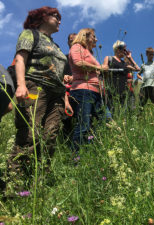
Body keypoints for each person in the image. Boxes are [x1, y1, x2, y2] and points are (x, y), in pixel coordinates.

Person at [5, 6, 73, 192]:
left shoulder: (56, 46)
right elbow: (20, 58)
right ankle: (13, 186)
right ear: (42, 17)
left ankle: (39, 183)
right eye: (55, 16)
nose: (60, 20)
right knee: (29, 134)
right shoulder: (30, 34)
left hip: (57, 95)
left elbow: (59, 73)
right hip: (35, 87)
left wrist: (65, 100)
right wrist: (21, 84)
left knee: (50, 136)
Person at [69, 28, 108, 151]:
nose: (96, 39)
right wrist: (99, 67)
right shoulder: (77, 47)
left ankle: (92, 149)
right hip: (83, 90)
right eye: (94, 37)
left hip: (95, 92)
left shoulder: (88, 52)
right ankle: (76, 157)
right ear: (85, 36)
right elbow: (78, 63)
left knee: (105, 120)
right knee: (84, 124)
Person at [103, 40, 140, 114]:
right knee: (112, 113)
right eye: (124, 49)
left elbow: (137, 69)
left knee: (122, 114)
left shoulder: (124, 64)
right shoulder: (109, 58)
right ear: (118, 49)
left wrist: (130, 58)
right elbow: (103, 70)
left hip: (123, 93)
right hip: (111, 92)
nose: (125, 52)